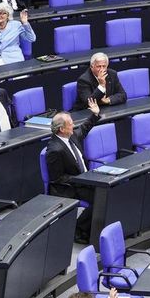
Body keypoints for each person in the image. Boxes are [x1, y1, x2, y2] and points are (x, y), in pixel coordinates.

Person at [46, 98, 101, 242]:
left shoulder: (72, 136)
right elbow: (57, 178)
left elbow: (84, 128)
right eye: (70, 124)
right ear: (62, 129)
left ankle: (95, 228)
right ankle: (79, 229)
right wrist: (82, 179)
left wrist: (95, 114)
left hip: (83, 181)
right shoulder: (54, 150)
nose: (74, 125)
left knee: (107, 192)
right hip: (70, 187)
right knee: (100, 199)